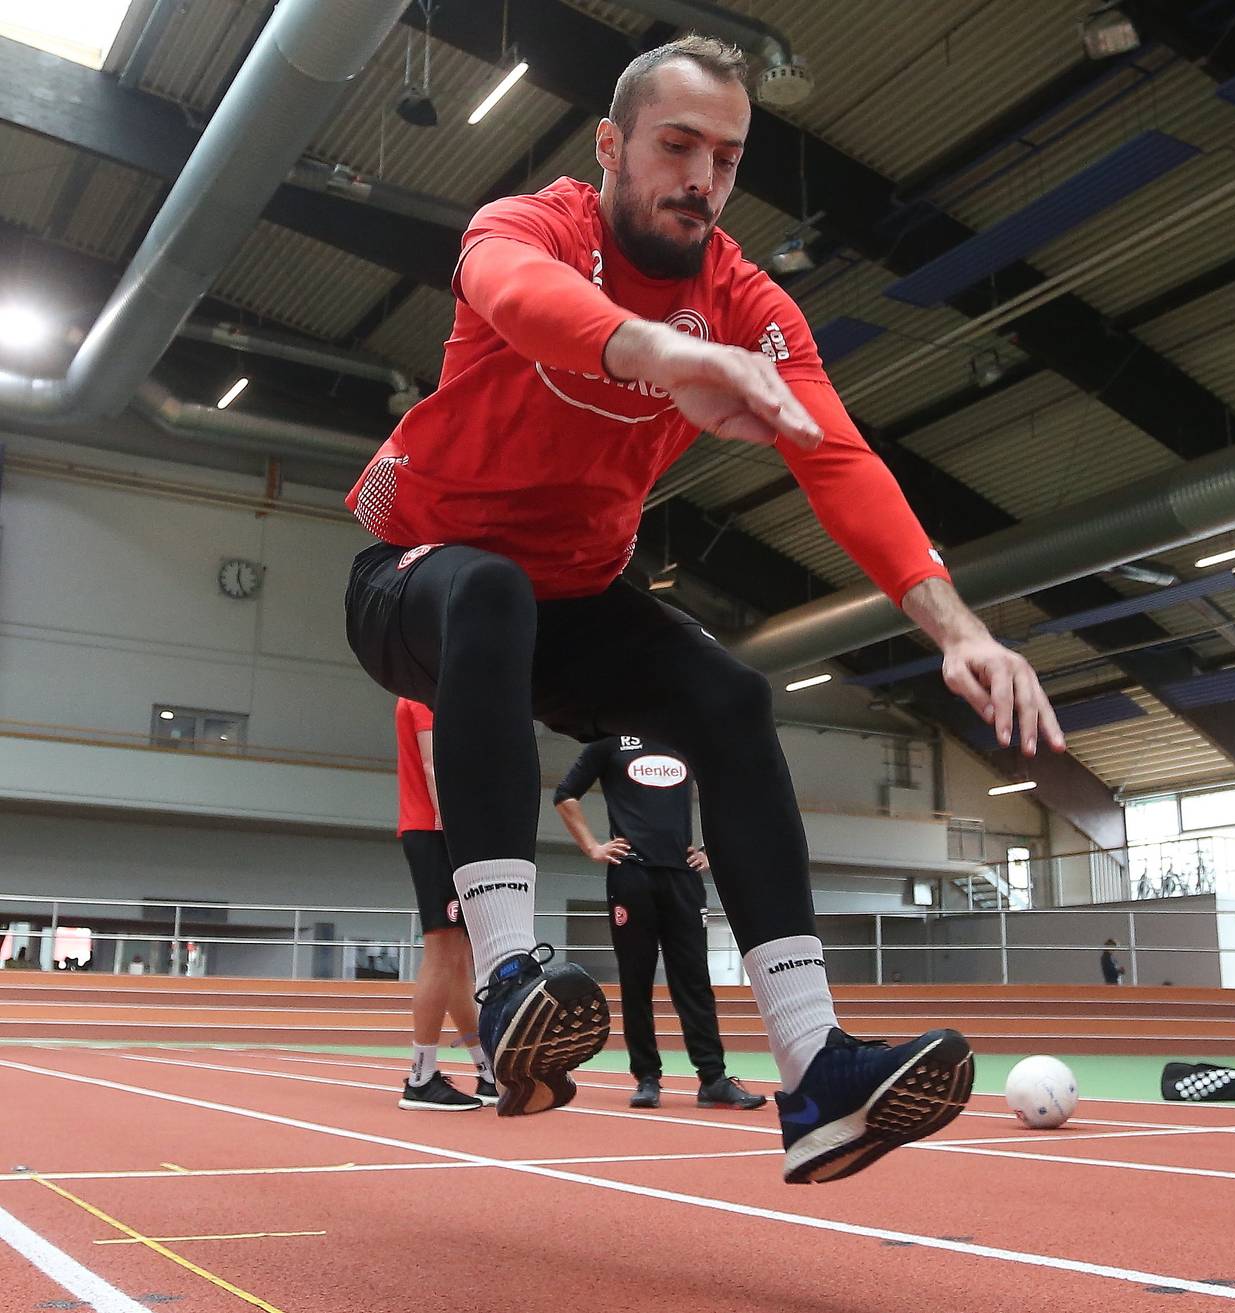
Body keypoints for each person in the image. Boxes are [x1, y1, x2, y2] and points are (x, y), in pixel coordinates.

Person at [341, 34, 1062, 1181]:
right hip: (417, 578)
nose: (702, 177)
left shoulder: (748, 303)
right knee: (485, 586)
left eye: (726, 158)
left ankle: (817, 1070)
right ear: (613, 145)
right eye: (677, 146)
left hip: (571, 604)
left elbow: (840, 462)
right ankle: (511, 970)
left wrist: (959, 628)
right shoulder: (529, 227)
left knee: (731, 694)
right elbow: (519, 302)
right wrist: (654, 351)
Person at [554, 737, 765, 1111]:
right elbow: (565, 794)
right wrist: (592, 847)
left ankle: (713, 1079)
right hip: (631, 875)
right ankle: (647, 1077)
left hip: (682, 878)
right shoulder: (608, 742)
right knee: (637, 980)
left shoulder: (682, 740)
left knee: (695, 981)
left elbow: (731, 792)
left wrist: (710, 850)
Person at [393, 698, 499, 1111]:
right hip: (438, 831)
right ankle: (421, 1078)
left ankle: (487, 1071)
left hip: (435, 831)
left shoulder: (427, 689)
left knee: (458, 959)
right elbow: (435, 766)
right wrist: (465, 836)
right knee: (442, 953)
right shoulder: (423, 692)